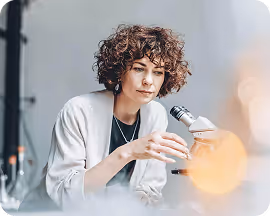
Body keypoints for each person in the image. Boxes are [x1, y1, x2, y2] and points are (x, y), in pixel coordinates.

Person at [20, 24, 192, 211]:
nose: (148, 80)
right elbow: (65, 193)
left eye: (158, 72)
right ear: (119, 71)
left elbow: (149, 191)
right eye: (138, 68)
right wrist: (128, 152)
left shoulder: (156, 115)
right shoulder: (79, 110)